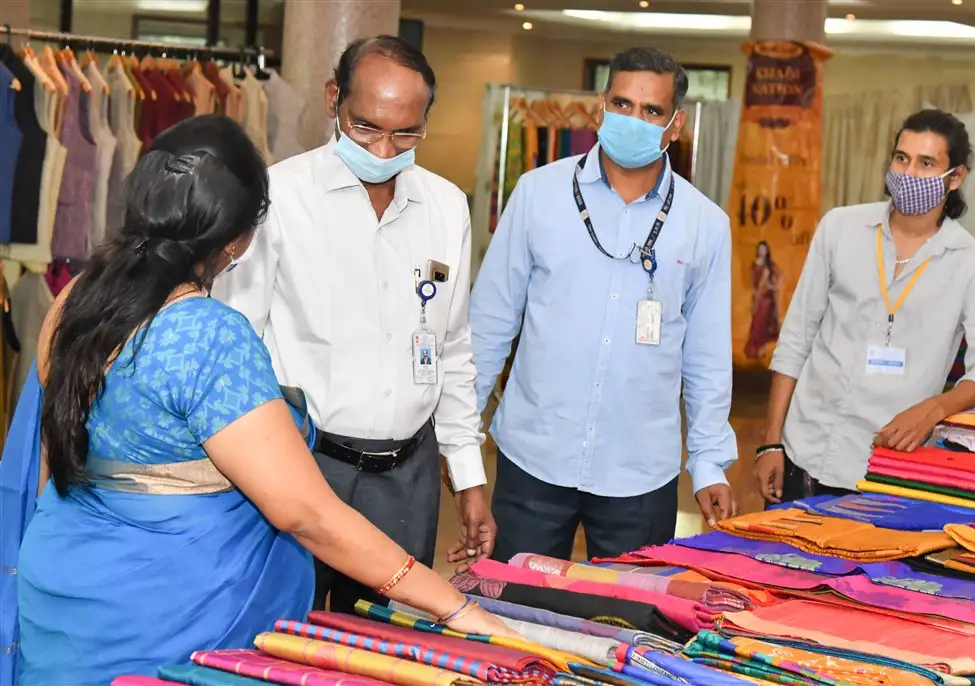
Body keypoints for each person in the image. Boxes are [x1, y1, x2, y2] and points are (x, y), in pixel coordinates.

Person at [11, 115, 514, 686]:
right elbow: (308, 515)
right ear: (237, 239)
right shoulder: (206, 334)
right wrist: (456, 607)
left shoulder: (77, 296)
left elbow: (51, 460)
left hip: (63, 587)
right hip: (168, 613)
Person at [212, 36, 494, 612]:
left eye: (406, 133)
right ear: (332, 99)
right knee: (287, 637)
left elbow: (453, 349)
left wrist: (467, 473)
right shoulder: (277, 198)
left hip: (407, 479)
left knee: (382, 649)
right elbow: (237, 344)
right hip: (304, 470)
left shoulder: (446, 207)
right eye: (366, 127)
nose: (385, 149)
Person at [468, 46, 738, 565]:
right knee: (510, 616)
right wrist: (462, 438)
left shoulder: (705, 224)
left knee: (624, 624)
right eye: (622, 104)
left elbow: (706, 356)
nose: (633, 120)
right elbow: (490, 322)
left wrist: (709, 462)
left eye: (651, 111)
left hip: (639, 473)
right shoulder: (538, 194)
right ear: (600, 107)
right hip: (534, 458)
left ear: (675, 125)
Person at [754, 108, 975, 504]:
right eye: (901, 158)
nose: (909, 174)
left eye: (927, 163)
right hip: (802, 450)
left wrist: (935, 408)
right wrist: (771, 443)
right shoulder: (840, 228)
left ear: (955, 177)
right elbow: (796, 338)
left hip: (886, 468)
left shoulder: (972, 264)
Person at [744, 240, 781, 360]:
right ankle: (755, 350)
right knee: (758, 324)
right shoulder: (754, 264)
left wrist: (771, 286)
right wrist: (755, 295)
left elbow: (778, 279)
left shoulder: (770, 265)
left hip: (769, 299)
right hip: (759, 298)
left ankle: (761, 350)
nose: (762, 252)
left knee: (766, 325)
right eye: (760, 249)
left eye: (764, 249)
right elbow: (752, 282)